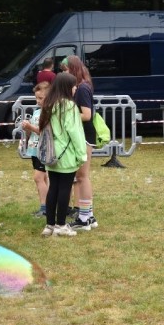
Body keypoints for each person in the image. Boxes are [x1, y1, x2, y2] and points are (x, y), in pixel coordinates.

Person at [39, 73, 87, 237]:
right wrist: (82, 155)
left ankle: (49, 225)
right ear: (67, 87)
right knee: (65, 188)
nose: (75, 89)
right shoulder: (70, 106)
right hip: (65, 154)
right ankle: (61, 224)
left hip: (51, 153)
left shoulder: (49, 104)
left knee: (53, 187)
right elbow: (75, 132)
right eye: (74, 86)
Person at [66, 55, 98, 230]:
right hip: (83, 135)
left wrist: (66, 115)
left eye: (65, 71)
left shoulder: (82, 89)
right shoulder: (80, 87)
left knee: (82, 176)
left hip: (85, 136)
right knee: (81, 177)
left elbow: (87, 115)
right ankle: (89, 215)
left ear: (73, 69)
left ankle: (85, 218)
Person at [21, 82, 51, 218]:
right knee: (42, 178)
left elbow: (43, 131)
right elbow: (33, 131)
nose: (38, 101)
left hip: (43, 149)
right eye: (36, 98)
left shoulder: (49, 112)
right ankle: (46, 206)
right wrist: (27, 130)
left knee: (38, 177)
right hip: (35, 149)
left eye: (41, 98)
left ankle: (45, 207)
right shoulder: (37, 112)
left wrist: (30, 127)